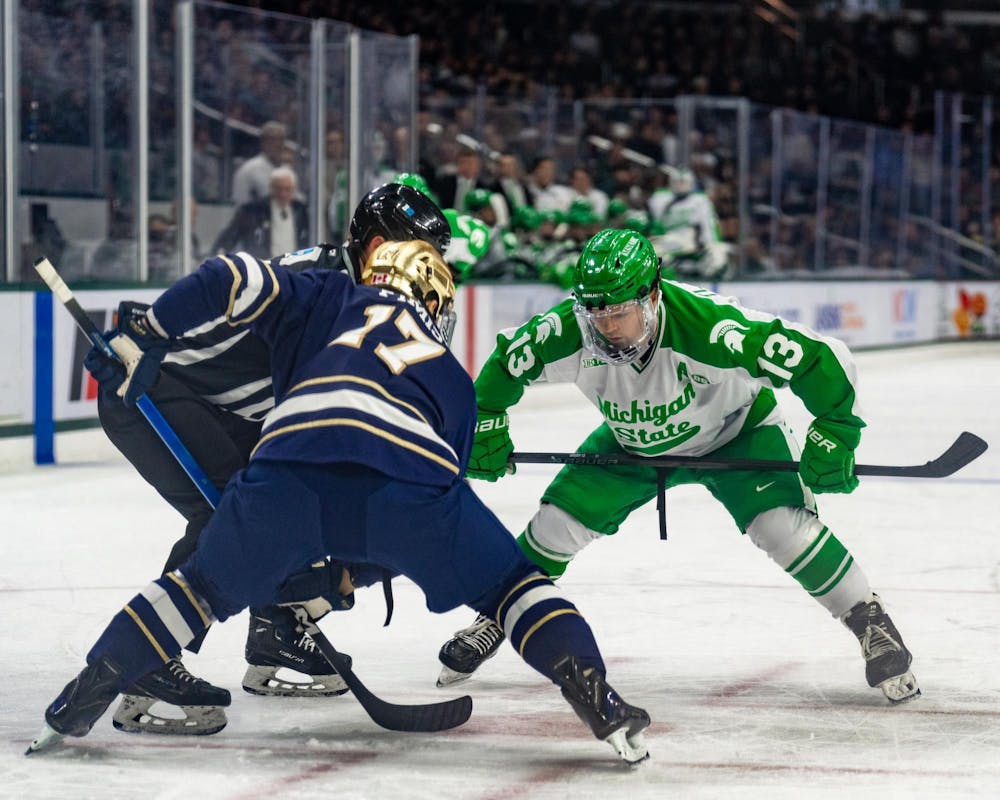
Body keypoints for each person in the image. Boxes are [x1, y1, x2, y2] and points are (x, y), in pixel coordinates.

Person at [32, 237, 651, 765]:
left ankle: (78, 701)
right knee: (515, 587)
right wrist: (351, 573)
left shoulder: (323, 293)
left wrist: (148, 331)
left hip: (289, 469)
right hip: (408, 480)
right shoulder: (450, 375)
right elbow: (434, 502)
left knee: (194, 591)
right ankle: (596, 694)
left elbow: (227, 276)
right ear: (432, 298)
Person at [435, 228, 920, 709]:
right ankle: (502, 612)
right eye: (595, 313)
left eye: (619, 312)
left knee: (782, 527)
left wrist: (836, 429)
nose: (606, 327)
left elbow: (821, 358)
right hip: (634, 443)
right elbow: (504, 365)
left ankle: (868, 618)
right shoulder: (568, 330)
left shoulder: (713, 328)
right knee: (555, 525)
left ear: (652, 295)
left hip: (736, 433)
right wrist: (488, 422)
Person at [78, 183, 455, 737]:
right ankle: (147, 662)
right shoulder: (329, 292)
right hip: (157, 390)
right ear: (378, 246)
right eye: (421, 252)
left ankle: (275, 631)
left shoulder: (351, 288)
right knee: (236, 514)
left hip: (216, 404)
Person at [647, 167, 728, 279]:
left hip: (692, 241)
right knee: (656, 256)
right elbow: (653, 225)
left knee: (718, 252)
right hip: (665, 241)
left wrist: (709, 244)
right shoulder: (659, 198)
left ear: (691, 183)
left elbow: (708, 226)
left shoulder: (700, 200)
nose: (680, 186)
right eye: (676, 182)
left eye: (683, 182)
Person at [212, 166, 309, 260]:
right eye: (279, 189)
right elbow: (231, 235)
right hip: (264, 267)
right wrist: (219, 255)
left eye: (287, 189)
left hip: (293, 268)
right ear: (271, 188)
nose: (283, 194)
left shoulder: (301, 211)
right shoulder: (254, 211)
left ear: (294, 190)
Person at [231, 120, 288, 206]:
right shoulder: (248, 170)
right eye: (272, 139)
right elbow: (239, 202)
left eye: (281, 139)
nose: (277, 144)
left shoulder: (288, 170)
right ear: (263, 142)